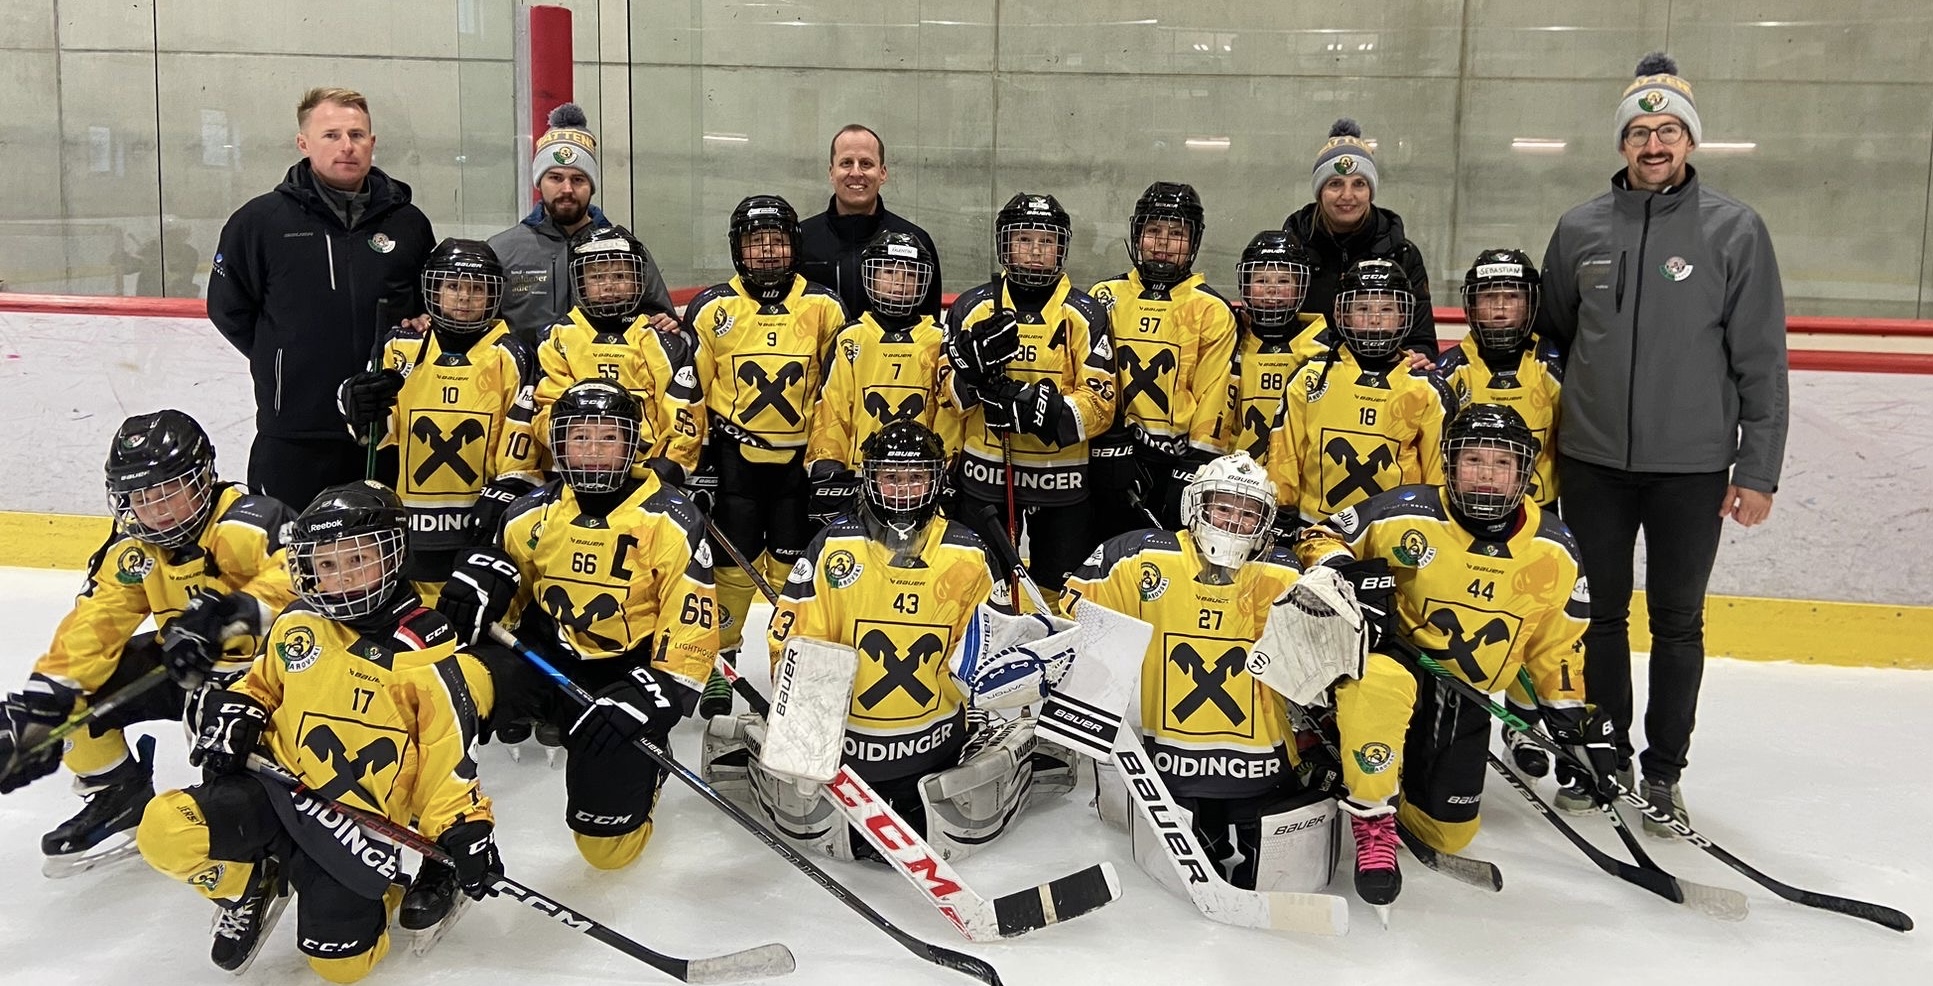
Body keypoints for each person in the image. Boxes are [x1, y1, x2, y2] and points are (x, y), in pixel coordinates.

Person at [1535, 53, 1788, 831]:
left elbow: (1758, 357)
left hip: (1691, 468)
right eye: (1639, 132)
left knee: (1677, 623)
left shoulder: (1733, 230)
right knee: (1598, 616)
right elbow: (1554, 340)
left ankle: (1663, 771)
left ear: (1689, 142)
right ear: (1621, 145)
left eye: (1668, 131)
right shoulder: (1579, 229)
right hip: (1593, 464)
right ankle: (1601, 756)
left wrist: (1758, 469)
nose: (1653, 144)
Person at [135, 481, 498, 981]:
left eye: (357, 559)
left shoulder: (421, 647)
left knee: (341, 967)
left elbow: (446, 757)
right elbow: (260, 683)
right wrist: (241, 707)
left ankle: (398, 881)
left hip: (351, 825)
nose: (341, 578)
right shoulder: (298, 622)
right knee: (165, 828)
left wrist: (464, 827)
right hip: (276, 788)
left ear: (393, 555)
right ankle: (249, 882)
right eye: (325, 565)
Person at [1064, 452, 1418, 907]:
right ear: (1196, 506)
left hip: (1261, 773)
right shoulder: (1137, 555)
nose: (1234, 523)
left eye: (1248, 513)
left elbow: (1326, 664)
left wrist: (1347, 610)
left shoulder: (1286, 573)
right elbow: (1074, 620)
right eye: (1223, 507)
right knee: (1171, 883)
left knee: (1381, 676)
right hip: (1160, 771)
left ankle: (1371, 810)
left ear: (1265, 521)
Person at [733, 420, 1073, 859]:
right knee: (848, 845)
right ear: (870, 479)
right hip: (847, 755)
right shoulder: (833, 547)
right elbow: (791, 640)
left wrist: (1026, 654)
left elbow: (989, 650)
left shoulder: (967, 554)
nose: (903, 491)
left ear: (935, 480)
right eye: (891, 478)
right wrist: (804, 728)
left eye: (916, 478)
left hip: (938, 752)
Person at [1292, 405, 1614, 867]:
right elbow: (1318, 535)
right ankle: (1367, 801)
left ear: (1525, 473)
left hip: (1468, 695)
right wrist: (1340, 567)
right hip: (1396, 665)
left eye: (1503, 463)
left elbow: (1558, 645)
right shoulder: (1405, 511)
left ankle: (1389, 774)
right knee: (1378, 684)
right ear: (1449, 464)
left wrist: (1572, 722)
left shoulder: (1554, 547)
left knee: (1447, 836)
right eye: (1474, 460)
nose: (1487, 475)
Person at [0, 411, 294, 878]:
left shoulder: (248, 524)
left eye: (169, 492)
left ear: (202, 480)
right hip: (182, 668)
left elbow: (301, 580)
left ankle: (261, 852)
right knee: (71, 700)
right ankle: (120, 794)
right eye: (142, 498)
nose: (157, 511)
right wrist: (43, 698)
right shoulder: (133, 550)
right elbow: (96, 623)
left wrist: (231, 613)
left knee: (229, 793)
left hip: (264, 681)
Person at [438, 380, 717, 871]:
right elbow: (505, 609)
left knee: (607, 851)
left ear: (633, 444)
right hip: (544, 662)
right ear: (558, 444)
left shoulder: (671, 519)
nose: (592, 451)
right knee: (445, 694)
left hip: (624, 676)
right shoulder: (528, 515)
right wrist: (474, 601)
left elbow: (691, 630)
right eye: (579, 437)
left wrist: (654, 698)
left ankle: (648, 773)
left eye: (607, 437)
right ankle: (443, 834)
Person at [208, 87, 435, 511]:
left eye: (357, 134)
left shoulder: (409, 223)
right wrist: (285, 359)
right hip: (294, 434)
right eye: (331, 135)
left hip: (387, 433)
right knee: (284, 566)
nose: (347, 146)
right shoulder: (259, 222)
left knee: (380, 563)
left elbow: (426, 311)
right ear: (303, 143)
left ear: (372, 142)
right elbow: (228, 309)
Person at [682, 195, 848, 719]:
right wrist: (698, 462)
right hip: (735, 460)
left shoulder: (823, 305)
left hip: (798, 466)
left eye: (777, 240)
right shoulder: (712, 308)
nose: (768, 252)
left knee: (793, 569)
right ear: (738, 249)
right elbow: (690, 393)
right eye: (756, 242)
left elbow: (835, 390)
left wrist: (829, 459)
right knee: (731, 567)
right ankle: (719, 665)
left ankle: (788, 665)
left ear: (795, 244)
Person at [335, 238, 545, 598]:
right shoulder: (402, 346)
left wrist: (505, 496)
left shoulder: (512, 355)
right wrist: (354, 401)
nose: (464, 297)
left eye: (477, 288)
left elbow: (519, 448)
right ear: (433, 288)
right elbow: (378, 436)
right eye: (452, 286)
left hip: (483, 527)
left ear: (494, 294)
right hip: (411, 530)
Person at [941, 193, 1116, 611]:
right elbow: (943, 392)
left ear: (1062, 248)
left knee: (1063, 596)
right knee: (982, 590)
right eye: (1023, 239)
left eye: (1046, 240)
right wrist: (974, 379)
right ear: (1005, 245)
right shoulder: (972, 306)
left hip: (1062, 484)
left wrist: (1043, 410)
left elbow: (1102, 402)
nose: (1035, 251)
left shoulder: (1085, 313)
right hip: (986, 481)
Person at [1087, 181, 1238, 536]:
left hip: (1173, 463)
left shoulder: (1210, 309)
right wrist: (1108, 442)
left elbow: (1215, 394)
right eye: (1153, 231)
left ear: (1194, 241)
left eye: (1177, 233)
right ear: (1137, 234)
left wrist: (1194, 467)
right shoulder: (1105, 295)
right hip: (1110, 452)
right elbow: (1090, 376)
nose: (1164, 244)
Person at [1266, 259, 1454, 528]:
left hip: (1394, 534)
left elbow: (1438, 478)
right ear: (1341, 315)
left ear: (1404, 316)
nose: (1375, 318)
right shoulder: (1311, 376)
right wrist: (1282, 514)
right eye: (1363, 308)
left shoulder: (1427, 390)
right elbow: (1285, 454)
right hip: (1314, 532)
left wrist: (1433, 529)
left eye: (1387, 308)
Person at [805, 231, 962, 521]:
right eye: (889, 271)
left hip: (921, 482)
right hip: (860, 481)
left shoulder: (940, 340)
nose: (899, 281)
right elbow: (832, 409)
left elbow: (948, 415)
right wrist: (827, 465)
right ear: (871, 276)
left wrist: (947, 469)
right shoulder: (851, 338)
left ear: (923, 282)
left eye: (910, 274)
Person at [533, 224, 705, 488]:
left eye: (621, 275)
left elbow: (684, 419)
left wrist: (660, 473)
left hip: (646, 478)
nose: (609, 286)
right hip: (571, 476)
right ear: (580, 281)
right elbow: (547, 409)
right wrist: (581, 461)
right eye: (597, 277)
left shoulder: (663, 341)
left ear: (639, 280)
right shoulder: (556, 340)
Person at [489, 103, 677, 344]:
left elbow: (660, 317)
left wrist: (664, 322)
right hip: (526, 378)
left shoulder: (626, 250)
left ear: (592, 186)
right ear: (539, 181)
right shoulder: (501, 251)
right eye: (555, 178)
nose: (567, 189)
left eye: (578, 179)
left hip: (606, 375)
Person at [1281, 119, 1438, 363]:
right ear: (1319, 191)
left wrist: (1420, 356)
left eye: (1359, 184)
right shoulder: (1292, 250)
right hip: (1303, 379)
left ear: (1371, 190)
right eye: (1335, 184)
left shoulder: (1402, 253)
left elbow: (1422, 341)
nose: (1347, 196)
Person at [1436, 249, 1563, 509]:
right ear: (1471, 305)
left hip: (1539, 509)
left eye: (1513, 296)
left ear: (1529, 305)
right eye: (1489, 296)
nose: (1500, 306)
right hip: (1465, 508)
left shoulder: (1554, 364)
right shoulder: (1448, 370)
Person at [799, 124, 944, 318]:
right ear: (831, 172)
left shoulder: (916, 241)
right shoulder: (801, 239)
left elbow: (928, 327)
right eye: (846, 163)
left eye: (866, 163)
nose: (856, 173)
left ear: (882, 173)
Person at [1229, 230, 1330, 459]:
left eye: (1284, 280)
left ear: (1301, 286)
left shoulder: (1324, 350)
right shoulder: (1229, 340)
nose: (1272, 289)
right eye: (1261, 280)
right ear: (1245, 286)